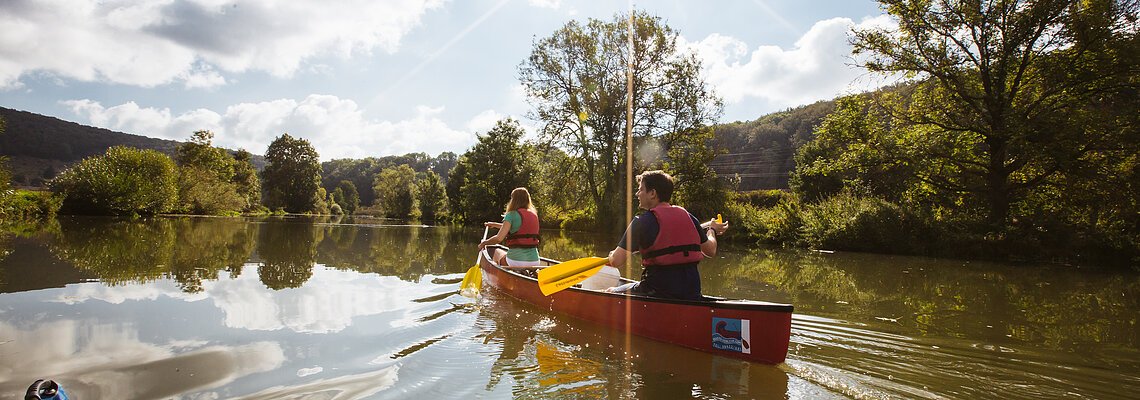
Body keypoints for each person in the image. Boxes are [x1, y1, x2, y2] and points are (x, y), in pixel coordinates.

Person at [604, 170, 728, 300]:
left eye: (640, 190)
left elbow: (616, 261)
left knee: (610, 291)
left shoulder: (641, 222)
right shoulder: (688, 217)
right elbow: (710, 250)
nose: (637, 194)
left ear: (652, 193)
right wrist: (711, 230)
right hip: (691, 293)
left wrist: (612, 255)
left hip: (656, 292)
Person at [478, 187, 542, 267]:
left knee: (497, 252)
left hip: (515, 261)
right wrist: (494, 224)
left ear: (513, 200)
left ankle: (499, 277)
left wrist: (484, 243)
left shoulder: (511, 215)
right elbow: (518, 229)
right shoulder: (534, 215)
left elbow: (498, 239)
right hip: (535, 261)